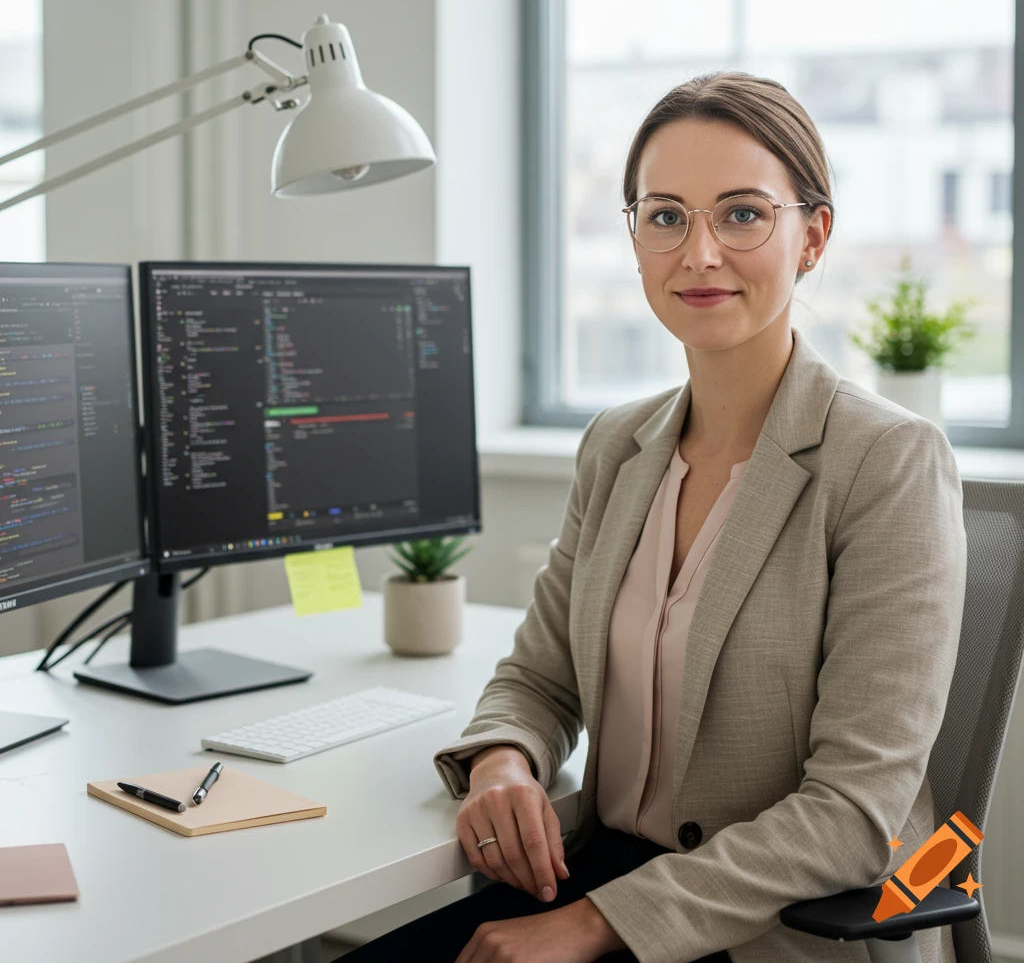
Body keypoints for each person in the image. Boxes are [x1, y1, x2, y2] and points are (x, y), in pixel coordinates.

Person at [334, 71, 966, 963]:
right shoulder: (617, 446)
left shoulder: (886, 462)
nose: (698, 253)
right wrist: (503, 762)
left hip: (765, 933)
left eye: (742, 214)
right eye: (665, 216)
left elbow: (854, 813)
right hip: (599, 874)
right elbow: (538, 679)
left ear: (813, 237)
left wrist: (595, 925)